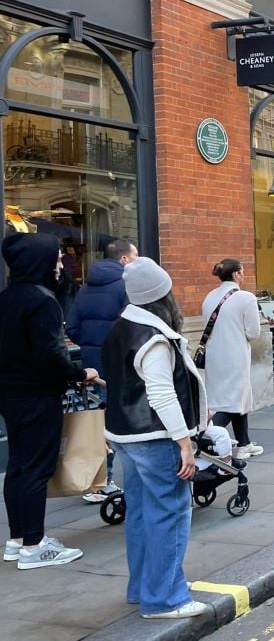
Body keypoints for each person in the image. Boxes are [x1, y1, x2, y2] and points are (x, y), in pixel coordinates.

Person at [102, 257, 209, 618]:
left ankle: (144, 587)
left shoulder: (121, 328)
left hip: (125, 438)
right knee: (170, 514)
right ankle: (165, 598)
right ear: (163, 297)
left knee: (142, 513)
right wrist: (184, 443)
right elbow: (162, 394)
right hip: (156, 437)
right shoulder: (154, 337)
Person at [0, 233, 100, 569]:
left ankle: (18, 539)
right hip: (37, 395)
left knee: (18, 467)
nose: (61, 265)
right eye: (56, 258)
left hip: (12, 394)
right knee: (37, 470)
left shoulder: (7, 297)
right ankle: (34, 545)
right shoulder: (42, 300)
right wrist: (79, 373)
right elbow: (50, 355)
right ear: (38, 260)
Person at [67, 237, 138, 502]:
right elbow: (130, 327)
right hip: (116, 365)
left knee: (94, 422)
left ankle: (94, 481)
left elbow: (71, 327)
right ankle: (101, 484)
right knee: (114, 424)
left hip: (89, 365)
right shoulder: (125, 285)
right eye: (135, 256)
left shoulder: (85, 288)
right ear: (124, 259)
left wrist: (89, 346)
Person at [201, 259, 264, 460]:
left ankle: (244, 442)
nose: (243, 276)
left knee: (235, 399)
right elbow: (253, 332)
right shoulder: (246, 298)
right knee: (232, 403)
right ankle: (205, 437)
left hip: (214, 356)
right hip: (235, 356)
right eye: (242, 272)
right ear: (236, 274)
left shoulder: (209, 297)